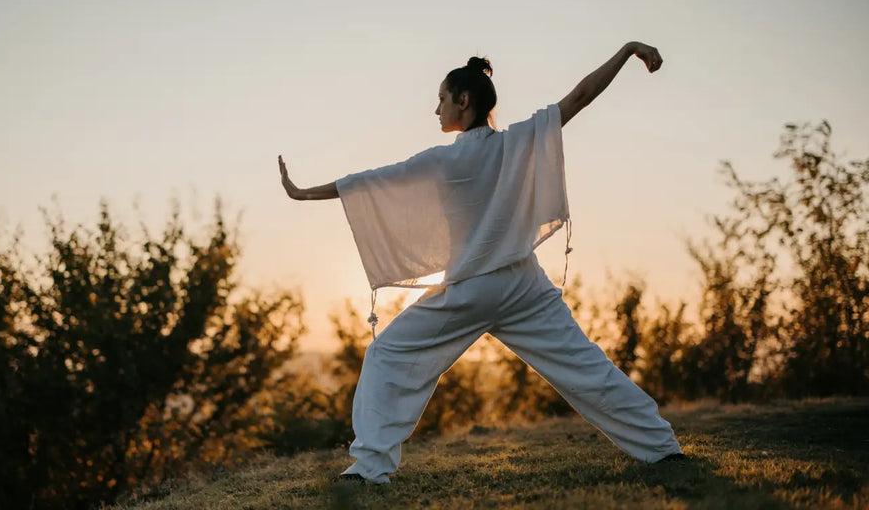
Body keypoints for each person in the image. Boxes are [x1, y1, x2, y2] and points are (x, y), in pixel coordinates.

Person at [277, 41, 684, 485]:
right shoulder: (517, 143)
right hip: (524, 286)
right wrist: (626, 52)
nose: (435, 109)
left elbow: (368, 185)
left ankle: (370, 466)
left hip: (471, 289)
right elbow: (580, 97)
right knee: (585, 367)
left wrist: (302, 193)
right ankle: (663, 449)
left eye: (441, 99)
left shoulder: (443, 158)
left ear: (463, 101)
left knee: (387, 354)